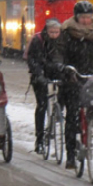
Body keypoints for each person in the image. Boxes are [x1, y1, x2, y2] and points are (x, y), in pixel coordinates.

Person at [53, 0, 93, 169]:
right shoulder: (67, 33)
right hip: (74, 77)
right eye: (82, 18)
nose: (86, 21)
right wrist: (63, 66)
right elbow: (59, 52)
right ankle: (71, 154)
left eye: (88, 17)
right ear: (76, 18)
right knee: (72, 115)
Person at [27, 19, 62, 154]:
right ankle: (39, 139)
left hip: (56, 72)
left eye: (56, 32)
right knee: (42, 105)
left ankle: (57, 117)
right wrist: (38, 75)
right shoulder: (38, 40)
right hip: (39, 74)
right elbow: (32, 60)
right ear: (46, 31)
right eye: (51, 32)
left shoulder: (62, 42)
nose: (54, 35)